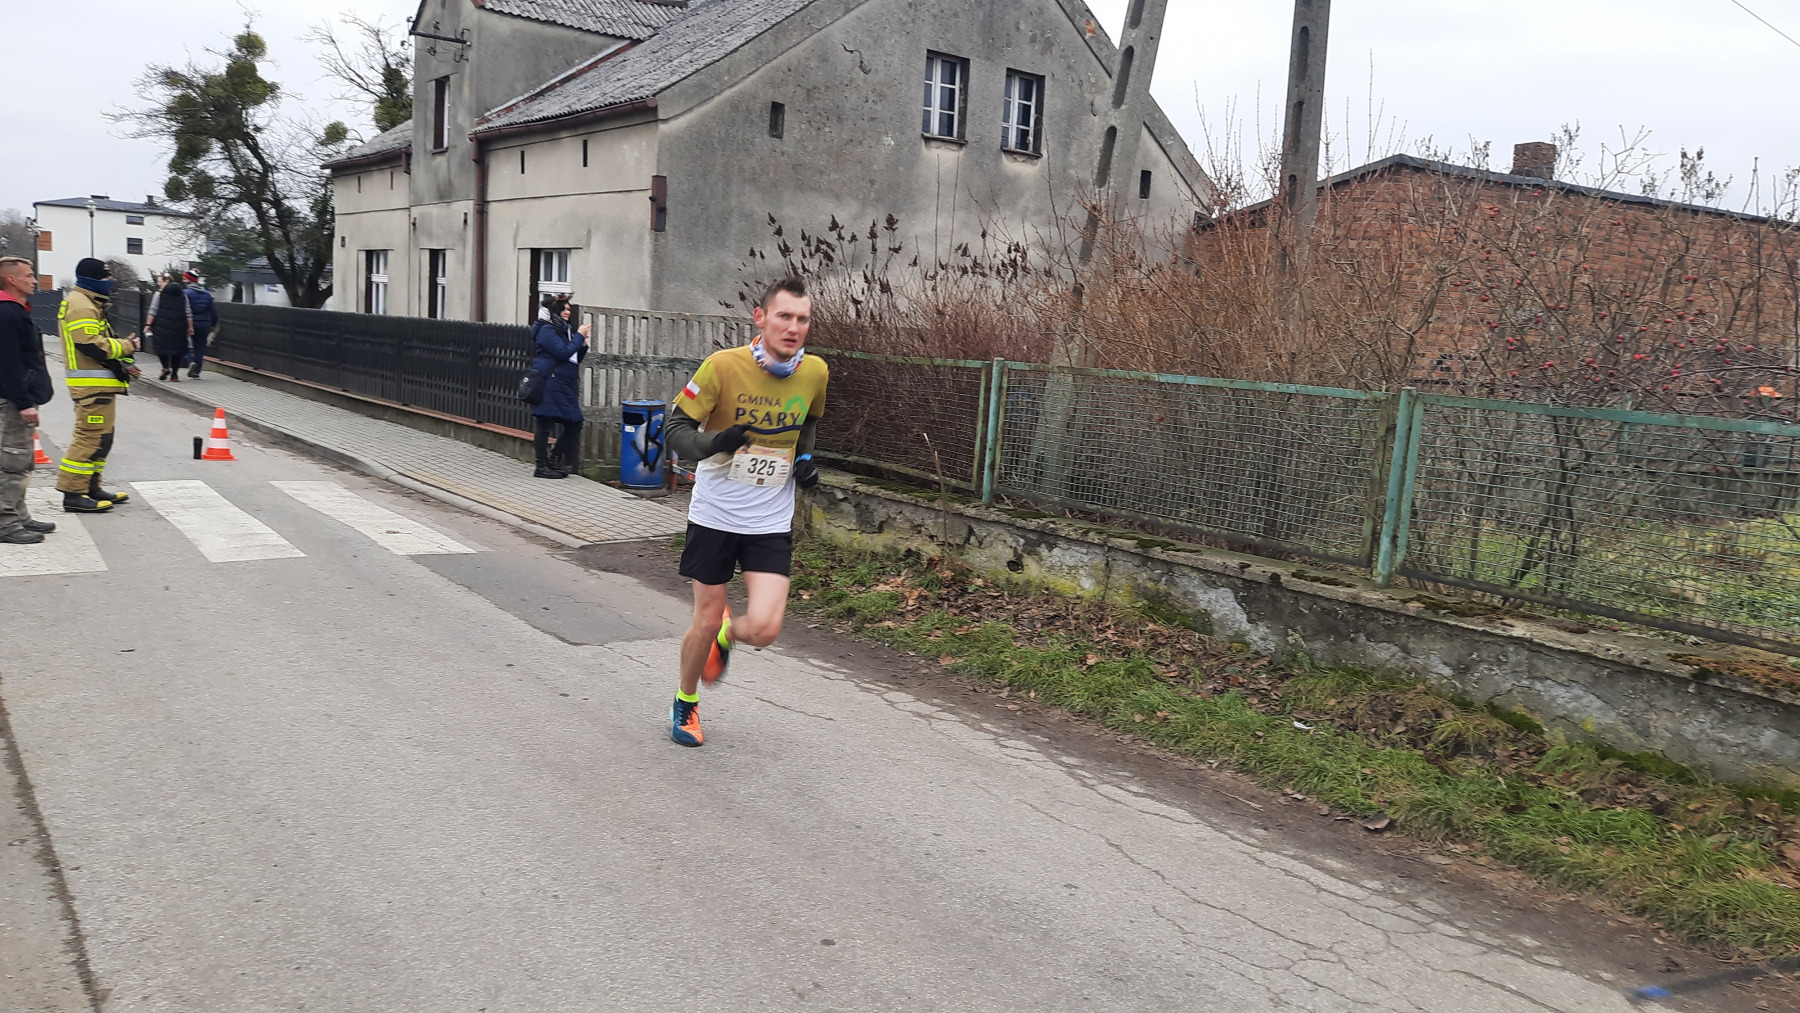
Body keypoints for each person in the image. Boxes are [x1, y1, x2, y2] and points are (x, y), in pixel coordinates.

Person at [661, 277, 828, 747]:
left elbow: (809, 422)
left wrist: (805, 460)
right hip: (716, 514)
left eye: (802, 319)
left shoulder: (815, 372)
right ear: (760, 318)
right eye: (784, 316)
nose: (793, 327)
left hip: (770, 518)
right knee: (705, 618)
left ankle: (728, 636)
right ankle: (685, 702)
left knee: (767, 628)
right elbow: (675, 431)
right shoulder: (722, 366)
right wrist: (718, 441)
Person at [56, 258, 139, 513]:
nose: (110, 281)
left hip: (99, 386)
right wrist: (127, 346)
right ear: (91, 280)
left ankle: (92, 487)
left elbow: (99, 342)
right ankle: (73, 493)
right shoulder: (81, 304)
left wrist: (123, 363)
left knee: (102, 439)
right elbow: (90, 344)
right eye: (105, 277)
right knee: (88, 438)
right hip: (91, 388)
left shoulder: (90, 303)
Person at [0, 257, 56, 544]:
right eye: (29, 275)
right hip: (12, 401)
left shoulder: (14, 311)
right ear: (12, 279)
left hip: (16, 397)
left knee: (21, 460)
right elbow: (9, 363)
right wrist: (23, 402)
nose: (34, 280)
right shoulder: (7, 313)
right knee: (12, 462)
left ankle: (19, 515)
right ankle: (5, 522)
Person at [528, 294, 590, 479]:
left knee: (575, 422)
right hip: (550, 380)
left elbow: (573, 358)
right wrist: (578, 336)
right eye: (564, 309)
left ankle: (554, 459)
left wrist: (583, 345)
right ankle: (541, 466)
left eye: (569, 309)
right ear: (555, 310)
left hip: (563, 383)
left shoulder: (564, 329)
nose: (567, 312)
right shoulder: (547, 330)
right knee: (544, 423)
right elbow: (562, 353)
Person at [145, 272, 192, 382]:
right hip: (179, 327)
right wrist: (190, 327)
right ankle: (174, 375)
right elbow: (188, 312)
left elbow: (153, 310)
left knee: (161, 348)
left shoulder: (159, 295)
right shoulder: (183, 295)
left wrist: (148, 325)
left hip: (162, 326)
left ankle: (165, 367)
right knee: (177, 350)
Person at [182, 271, 217, 377]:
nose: (183, 280)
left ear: (190, 280)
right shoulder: (207, 294)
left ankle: (190, 360)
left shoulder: (185, 293)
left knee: (182, 344)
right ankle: (197, 371)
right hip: (204, 323)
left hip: (189, 323)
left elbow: (182, 309)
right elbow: (214, 312)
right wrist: (213, 324)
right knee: (200, 347)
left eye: (185, 278)